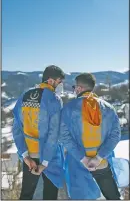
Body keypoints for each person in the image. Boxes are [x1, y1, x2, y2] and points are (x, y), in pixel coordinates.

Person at [60, 73, 122, 200]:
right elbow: (115, 135)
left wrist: (83, 158)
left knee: (82, 196)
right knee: (113, 196)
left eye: (74, 87)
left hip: (78, 163)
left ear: (78, 88)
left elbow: (64, 137)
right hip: (102, 162)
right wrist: (99, 157)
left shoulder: (68, 109)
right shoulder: (108, 108)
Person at [12, 65, 66, 200]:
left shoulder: (24, 95)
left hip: (29, 155)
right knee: (49, 195)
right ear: (51, 81)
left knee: (26, 194)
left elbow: (17, 128)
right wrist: (45, 162)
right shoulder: (54, 99)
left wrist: (25, 155)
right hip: (48, 157)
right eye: (59, 81)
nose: (61, 85)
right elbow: (54, 134)